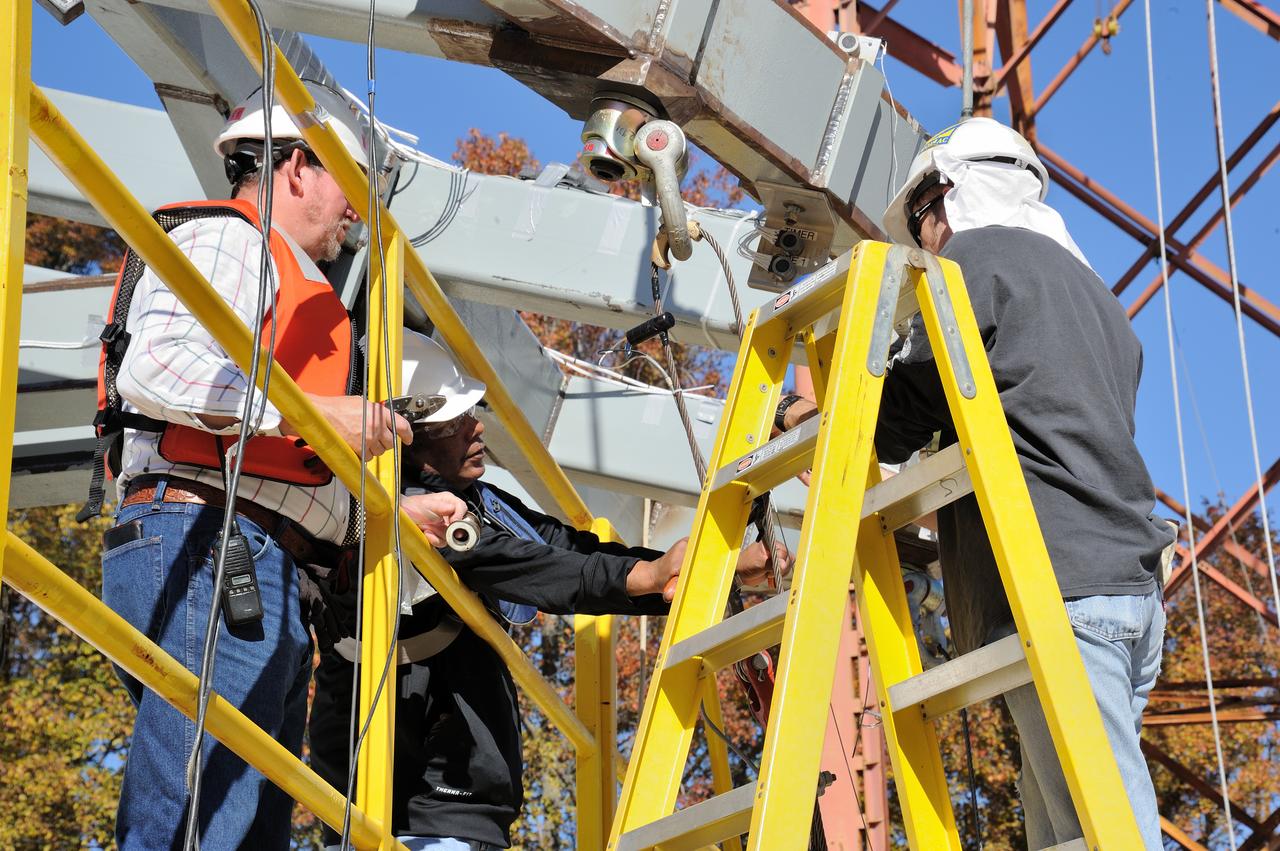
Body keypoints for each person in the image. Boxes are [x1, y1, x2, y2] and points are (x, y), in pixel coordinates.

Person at [777, 117, 1173, 850]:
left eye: (923, 220)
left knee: (1102, 830)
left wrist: (818, 415)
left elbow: (904, 410)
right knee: (1074, 828)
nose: (924, 241)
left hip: (1055, 583)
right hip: (1124, 582)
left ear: (947, 199)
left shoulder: (976, 261)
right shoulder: (1093, 295)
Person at [94, 82, 468, 850]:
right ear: (296, 167)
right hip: (207, 536)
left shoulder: (274, 270)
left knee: (243, 820)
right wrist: (313, 410)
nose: (356, 215)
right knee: (207, 816)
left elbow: (283, 466)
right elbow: (158, 366)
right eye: (348, 187)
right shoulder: (233, 239)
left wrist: (390, 514)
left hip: (239, 553)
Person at [309, 333, 783, 850]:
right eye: (453, 422)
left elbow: (566, 550)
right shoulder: (386, 514)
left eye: (474, 411)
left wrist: (704, 570)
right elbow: (518, 564)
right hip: (412, 795)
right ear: (401, 438)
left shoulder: (478, 501)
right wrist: (643, 579)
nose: (478, 427)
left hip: (448, 798)